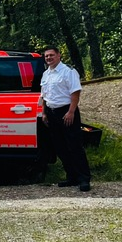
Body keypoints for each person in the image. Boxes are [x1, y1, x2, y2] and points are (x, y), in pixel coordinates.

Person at [38, 46, 92, 192]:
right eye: (46, 56)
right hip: (51, 112)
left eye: (51, 55)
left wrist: (71, 112)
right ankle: (72, 177)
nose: (48, 58)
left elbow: (75, 92)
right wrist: (44, 113)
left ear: (59, 55)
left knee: (74, 146)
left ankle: (84, 179)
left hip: (67, 111)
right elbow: (44, 96)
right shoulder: (45, 74)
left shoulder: (68, 71)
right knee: (60, 147)